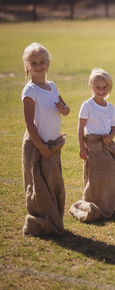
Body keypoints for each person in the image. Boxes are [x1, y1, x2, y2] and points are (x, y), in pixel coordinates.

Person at [21, 43, 70, 236]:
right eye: (33, 63)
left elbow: (65, 108)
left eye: (42, 62)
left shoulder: (52, 86)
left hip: (52, 145)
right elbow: (29, 122)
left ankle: (53, 220)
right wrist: (40, 146)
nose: (39, 66)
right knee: (38, 186)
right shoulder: (30, 91)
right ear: (27, 65)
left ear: (48, 64)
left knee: (53, 183)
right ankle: (39, 223)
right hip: (36, 145)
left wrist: (64, 109)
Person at [70, 68, 115, 222]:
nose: (101, 91)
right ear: (91, 87)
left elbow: (114, 127)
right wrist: (82, 148)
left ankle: (111, 204)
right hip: (93, 147)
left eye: (105, 87)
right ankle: (93, 204)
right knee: (96, 177)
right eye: (97, 87)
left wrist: (110, 136)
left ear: (109, 88)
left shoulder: (110, 108)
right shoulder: (87, 105)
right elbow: (81, 127)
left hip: (108, 147)